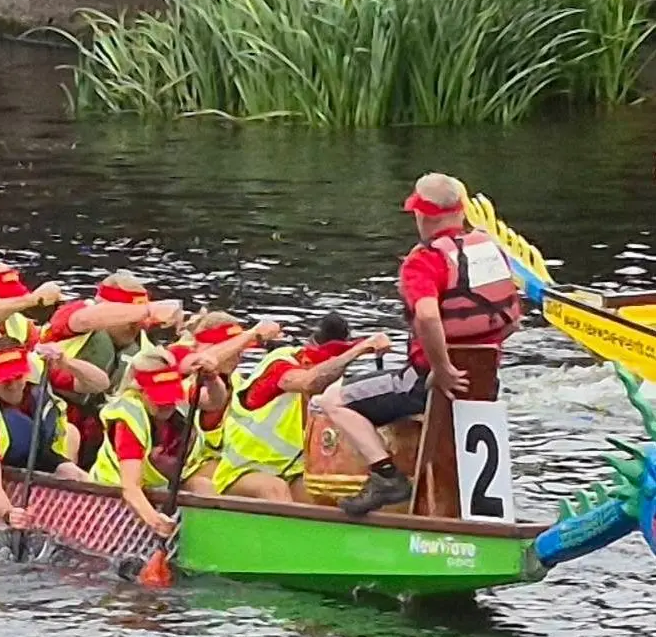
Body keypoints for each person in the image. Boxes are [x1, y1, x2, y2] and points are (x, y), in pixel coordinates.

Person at [319, 172, 522, 516]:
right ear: (461, 210)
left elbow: (427, 316)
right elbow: (512, 320)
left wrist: (442, 369)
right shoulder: (490, 251)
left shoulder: (424, 260)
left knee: (332, 400)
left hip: (429, 381)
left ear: (422, 215)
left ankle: (387, 478)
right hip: (485, 382)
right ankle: (474, 513)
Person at [212, 319, 391, 503]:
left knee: (329, 496)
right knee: (274, 488)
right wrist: (360, 349)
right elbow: (309, 382)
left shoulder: (333, 382)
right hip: (242, 472)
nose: (329, 369)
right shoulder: (280, 363)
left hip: (291, 471)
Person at [0, 338, 108, 524]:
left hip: (34, 454)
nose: (14, 385)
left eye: (17, 375)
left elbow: (100, 384)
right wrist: (8, 513)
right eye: (5, 379)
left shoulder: (38, 367)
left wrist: (66, 363)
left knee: (77, 475)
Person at [42, 270, 183, 468]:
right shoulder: (74, 317)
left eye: (139, 321)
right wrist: (149, 310)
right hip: (55, 427)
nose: (136, 326)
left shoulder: (145, 349)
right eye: (130, 318)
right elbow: (84, 319)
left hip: (103, 436)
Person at [90, 348, 227, 536]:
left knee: (203, 486)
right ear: (139, 391)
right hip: (112, 500)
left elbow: (216, 402)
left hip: (164, 485)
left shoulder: (179, 392)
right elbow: (130, 487)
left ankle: (213, 536)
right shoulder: (128, 418)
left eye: (171, 396)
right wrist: (156, 522)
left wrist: (212, 378)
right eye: (160, 397)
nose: (167, 404)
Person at [169, 311, 282, 476]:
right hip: (184, 467)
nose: (236, 355)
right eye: (232, 347)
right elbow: (203, 363)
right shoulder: (181, 378)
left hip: (222, 461)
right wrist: (251, 334)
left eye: (240, 349)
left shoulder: (237, 381)